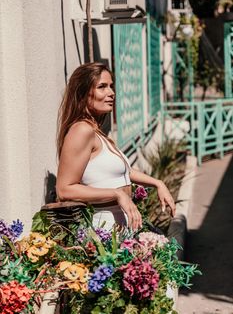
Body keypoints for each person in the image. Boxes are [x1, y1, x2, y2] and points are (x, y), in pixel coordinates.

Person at [56, 62, 175, 231]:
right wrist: (116, 193)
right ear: (83, 94)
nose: (111, 93)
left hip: (120, 229)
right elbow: (65, 189)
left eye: (111, 86)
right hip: (102, 230)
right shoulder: (81, 130)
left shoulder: (96, 131)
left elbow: (125, 171)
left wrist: (158, 183)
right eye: (102, 87)